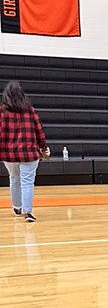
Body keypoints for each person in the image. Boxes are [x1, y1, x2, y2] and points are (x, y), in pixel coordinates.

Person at [1, 81, 50, 223]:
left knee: (14, 178)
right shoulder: (30, 110)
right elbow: (39, 130)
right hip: (29, 151)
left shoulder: (2, 112)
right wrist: (43, 147)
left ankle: (17, 207)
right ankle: (28, 212)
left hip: (9, 153)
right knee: (27, 182)